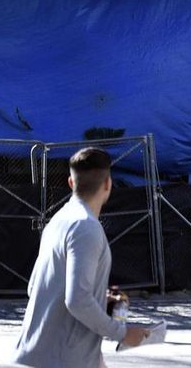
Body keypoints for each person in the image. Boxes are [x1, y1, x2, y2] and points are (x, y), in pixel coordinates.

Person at [14, 147, 150, 366]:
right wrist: (123, 333)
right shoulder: (86, 227)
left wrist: (99, 298)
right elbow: (77, 300)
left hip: (45, 354)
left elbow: (35, 287)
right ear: (108, 184)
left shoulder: (57, 221)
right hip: (64, 359)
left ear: (70, 183)